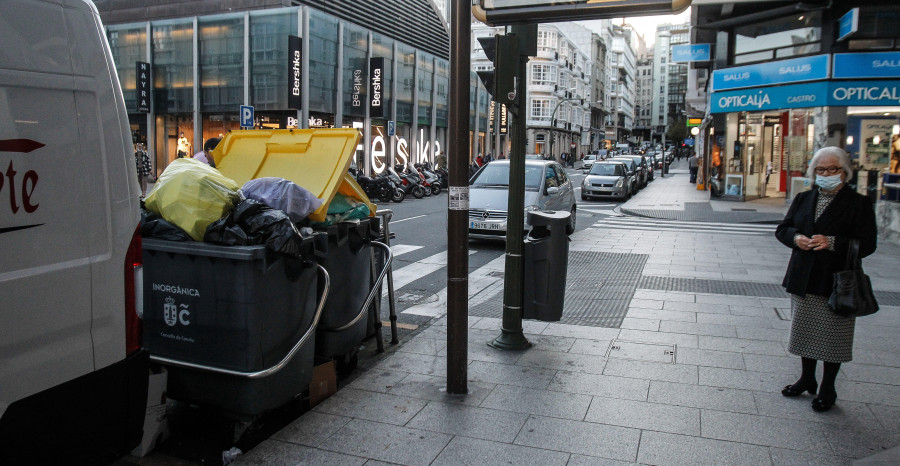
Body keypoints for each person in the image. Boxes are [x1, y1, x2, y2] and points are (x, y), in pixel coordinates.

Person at [775, 146, 877, 413]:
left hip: (836, 281)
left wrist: (832, 242)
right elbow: (783, 229)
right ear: (813, 172)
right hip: (803, 277)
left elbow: (868, 244)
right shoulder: (804, 198)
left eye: (833, 169)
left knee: (834, 338)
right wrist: (796, 238)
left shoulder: (859, 203)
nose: (827, 174)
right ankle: (807, 377)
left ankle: (828, 387)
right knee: (805, 332)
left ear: (845, 172)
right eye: (821, 169)